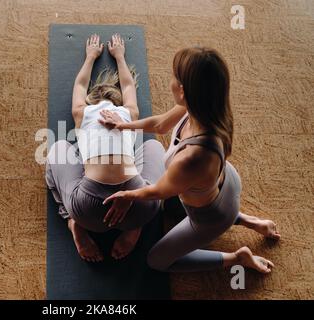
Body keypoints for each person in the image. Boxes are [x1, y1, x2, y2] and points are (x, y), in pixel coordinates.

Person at [100, 47, 281, 273]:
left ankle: (237, 258)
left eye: (174, 77)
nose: (171, 81)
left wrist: (128, 196)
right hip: (222, 183)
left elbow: (158, 192)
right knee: (175, 208)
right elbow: (160, 125)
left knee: (156, 260)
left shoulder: (191, 159)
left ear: (184, 90)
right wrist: (123, 124)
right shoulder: (205, 106)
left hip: (208, 216)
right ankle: (250, 221)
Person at [46, 34, 165, 262]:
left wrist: (90, 57)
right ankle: (134, 228)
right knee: (153, 146)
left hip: (87, 213)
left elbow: (80, 84)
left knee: (59, 147)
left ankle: (73, 224)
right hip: (140, 206)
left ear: (93, 100)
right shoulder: (129, 114)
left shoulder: (82, 112)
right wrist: (120, 56)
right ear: (117, 102)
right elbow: (129, 84)